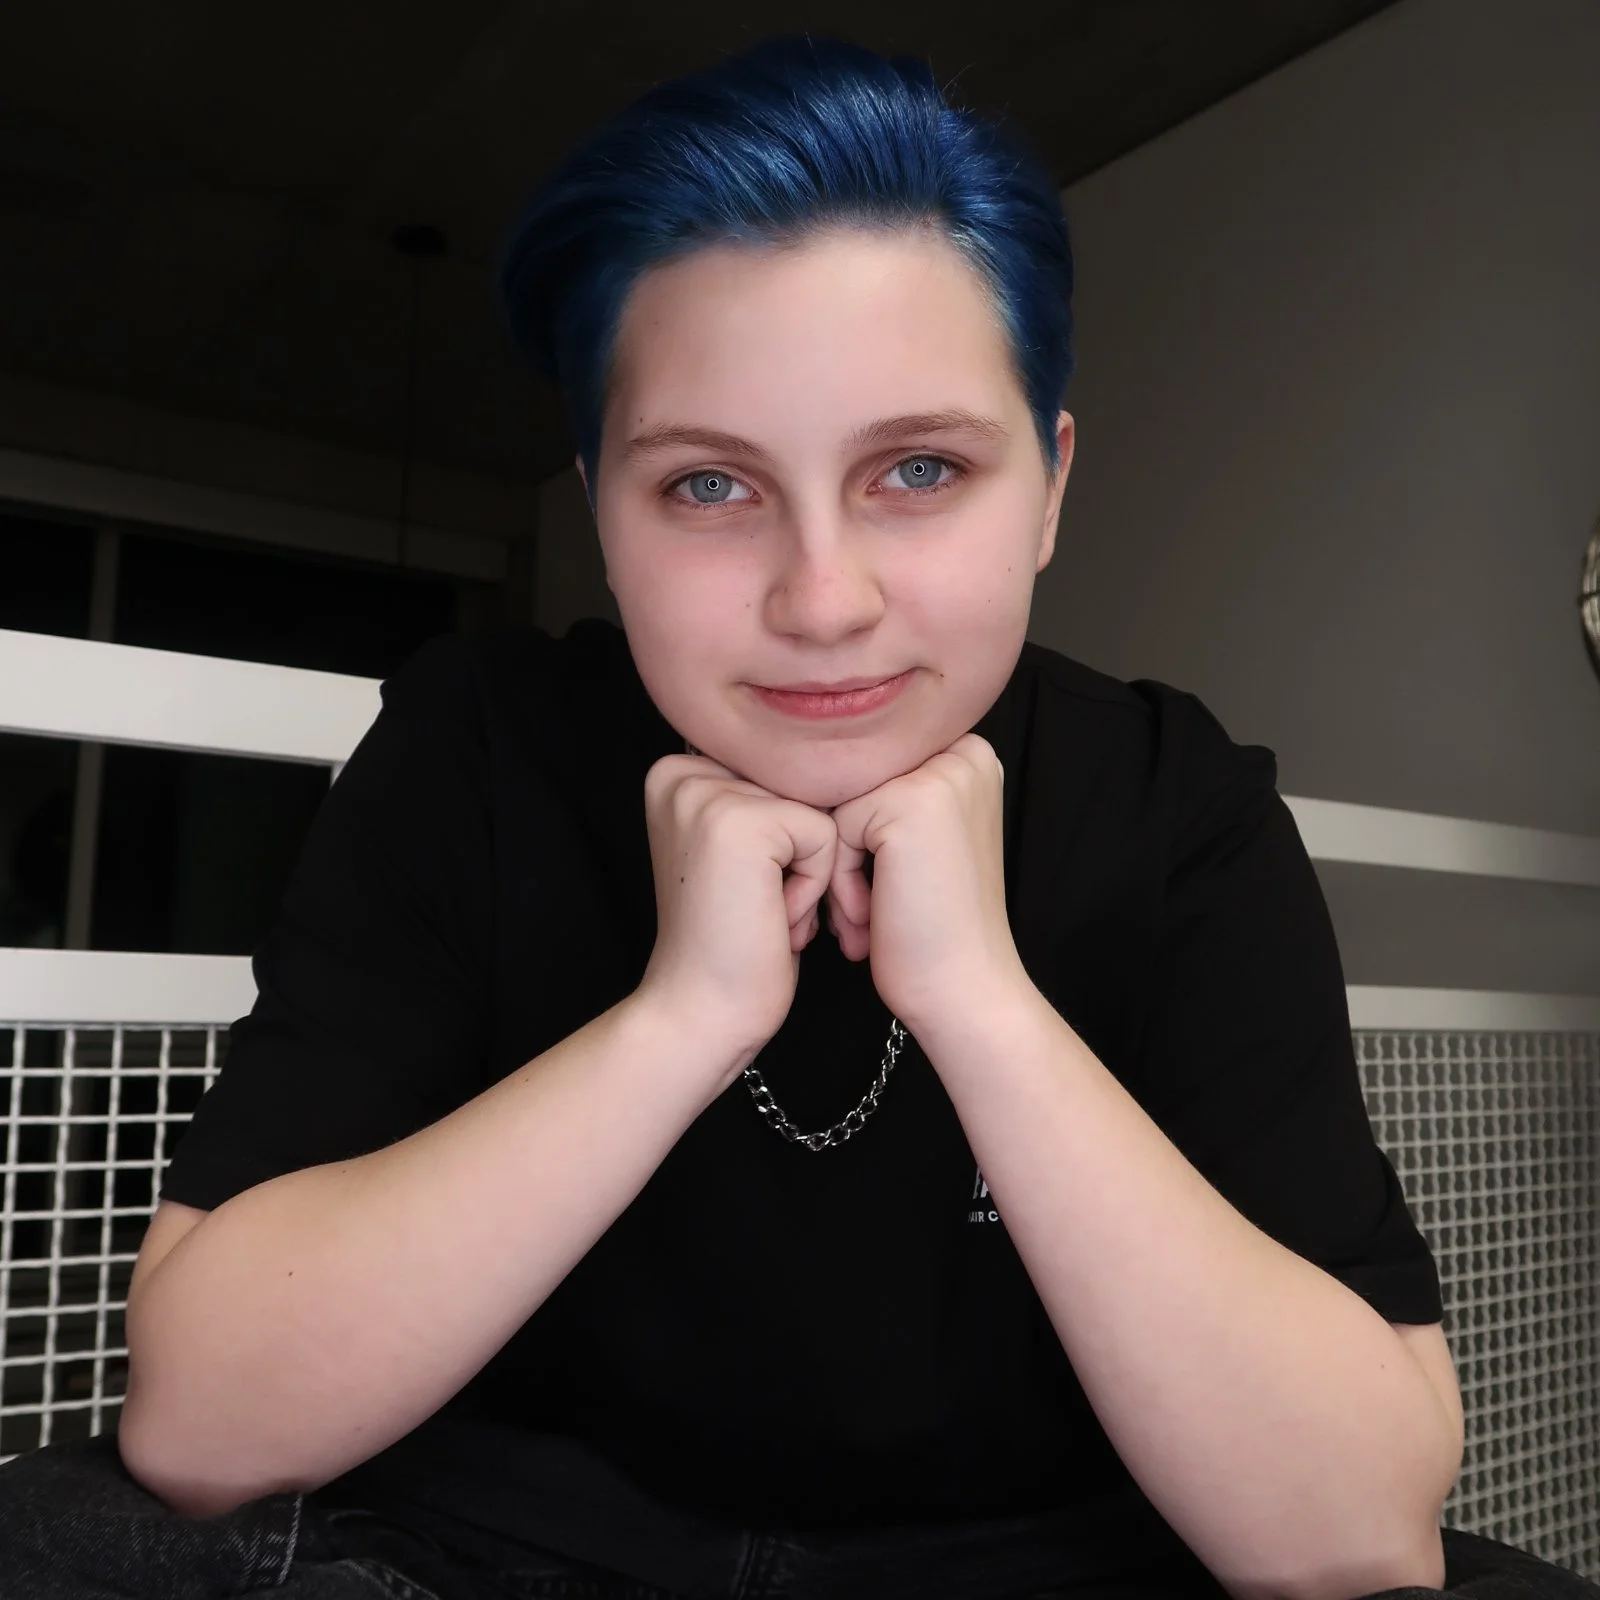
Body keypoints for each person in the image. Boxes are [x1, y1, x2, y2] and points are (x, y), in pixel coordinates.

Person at [1, 32, 1594, 1600]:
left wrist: (981, 1004)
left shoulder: (1181, 808)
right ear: (602, 506)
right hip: (493, 1544)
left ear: (1047, 488)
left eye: (917, 470)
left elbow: (1351, 1537)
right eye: (707, 485)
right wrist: (680, 1019)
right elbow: (204, 1427)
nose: (821, 601)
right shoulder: (475, 747)